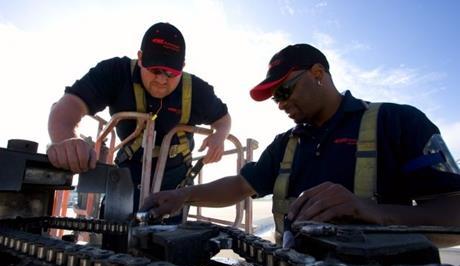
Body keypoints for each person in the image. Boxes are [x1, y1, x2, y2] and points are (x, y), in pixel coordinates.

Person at [143, 43, 460, 246]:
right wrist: (182, 195)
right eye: (273, 98)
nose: (279, 104)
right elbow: (240, 186)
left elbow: (454, 213)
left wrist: (369, 211)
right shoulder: (285, 145)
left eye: (283, 92)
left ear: (318, 73)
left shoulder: (399, 123)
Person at [47, 22, 231, 216]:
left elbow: (224, 119)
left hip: (175, 181)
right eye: (155, 70)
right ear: (141, 58)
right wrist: (66, 138)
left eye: (171, 73)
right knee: (114, 229)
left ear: (182, 67)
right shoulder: (115, 73)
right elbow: (71, 103)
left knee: (169, 238)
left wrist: (220, 136)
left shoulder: (197, 90)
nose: (162, 80)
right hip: (128, 172)